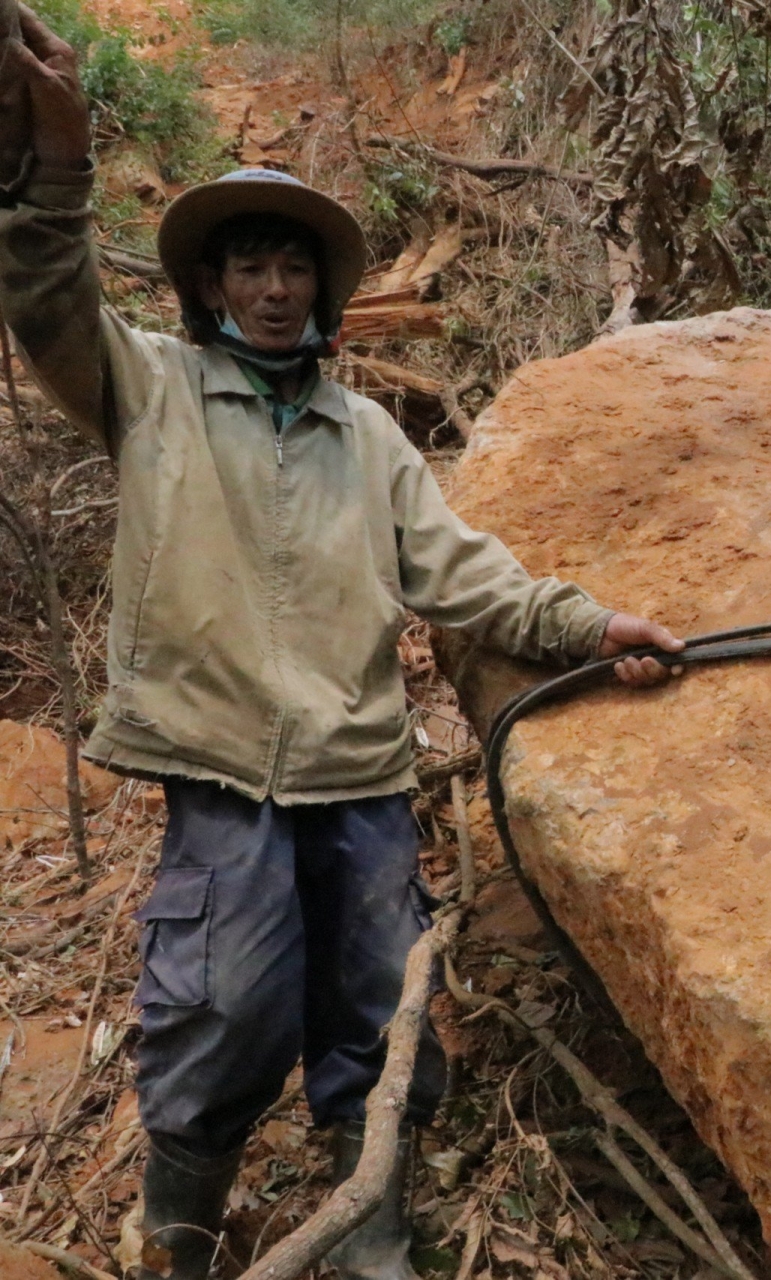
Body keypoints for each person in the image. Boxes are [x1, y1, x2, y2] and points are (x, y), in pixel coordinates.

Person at [0, 10, 681, 1278]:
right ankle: (183, 1217)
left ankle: (369, 1216)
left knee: (374, 993)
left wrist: (588, 620)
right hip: (221, 761)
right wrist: (55, 178)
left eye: (293, 269)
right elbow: (44, 297)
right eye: (249, 267)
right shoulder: (147, 387)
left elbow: (459, 569)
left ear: (322, 286)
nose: (272, 289)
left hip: (360, 765)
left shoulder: (364, 435)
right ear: (210, 287)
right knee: (223, 999)